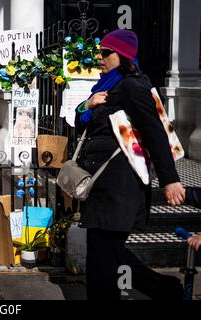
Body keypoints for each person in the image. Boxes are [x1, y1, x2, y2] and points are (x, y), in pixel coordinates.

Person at [74, 29, 186, 300]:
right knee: (107, 255)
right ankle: (165, 290)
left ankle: (164, 290)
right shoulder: (106, 87)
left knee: (102, 261)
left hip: (120, 185)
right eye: (99, 52)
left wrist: (169, 179)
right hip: (103, 184)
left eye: (105, 53)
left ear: (121, 56)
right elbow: (79, 124)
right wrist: (86, 106)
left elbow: (155, 132)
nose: (99, 58)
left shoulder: (132, 86)